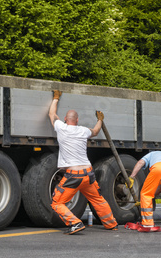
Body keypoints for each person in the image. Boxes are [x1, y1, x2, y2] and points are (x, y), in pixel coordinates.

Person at [49, 90, 118, 235]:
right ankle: (111, 224)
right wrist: (100, 119)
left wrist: (56, 98)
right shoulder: (83, 131)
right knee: (98, 199)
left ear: (65, 119)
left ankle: (75, 223)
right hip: (88, 173)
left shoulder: (61, 128)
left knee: (57, 203)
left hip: (73, 175)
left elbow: (51, 114)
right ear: (77, 120)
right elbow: (96, 131)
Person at [128, 150, 161, 229]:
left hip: (159, 168)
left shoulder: (152, 154)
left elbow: (140, 163)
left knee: (146, 194)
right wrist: (152, 196)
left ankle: (148, 223)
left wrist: (132, 177)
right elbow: (159, 187)